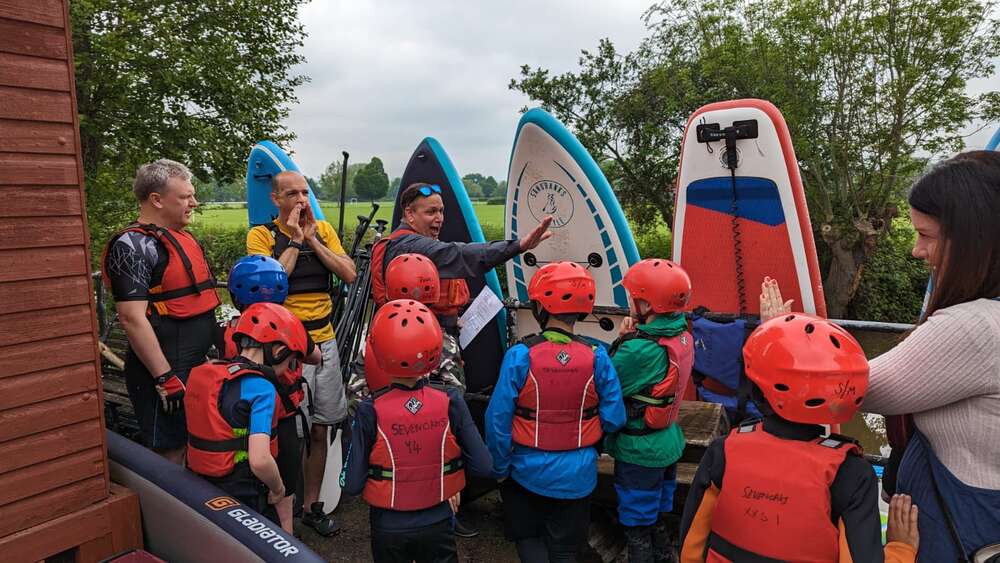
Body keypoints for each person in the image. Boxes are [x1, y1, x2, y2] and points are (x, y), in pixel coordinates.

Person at [762, 151, 1000, 561]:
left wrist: (783, 333)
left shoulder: (974, 328)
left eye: (926, 236)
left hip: (963, 528)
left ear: (973, 242)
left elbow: (854, 389)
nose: (915, 250)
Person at [370, 181, 552, 538]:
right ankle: (438, 511)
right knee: (440, 426)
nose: (438, 218)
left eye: (441, 211)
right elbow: (461, 254)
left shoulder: (417, 246)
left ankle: (436, 506)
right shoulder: (407, 244)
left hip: (430, 342)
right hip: (419, 353)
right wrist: (517, 246)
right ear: (408, 214)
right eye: (430, 211)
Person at [679, 313, 919, 562]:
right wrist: (901, 548)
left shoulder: (724, 451)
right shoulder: (851, 474)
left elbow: (690, 547)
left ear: (756, 393)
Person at [486, 262, 626, 562]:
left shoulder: (520, 355)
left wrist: (499, 469)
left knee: (529, 540)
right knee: (565, 551)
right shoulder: (597, 356)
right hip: (578, 477)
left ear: (539, 306)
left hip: (524, 473)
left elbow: (497, 421)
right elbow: (615, 418)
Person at [246, 170, 356, 535]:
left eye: (305, 193)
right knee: (289, 432)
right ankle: (284, 512)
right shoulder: (261, 235)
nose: (301, 200)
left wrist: (313, 240)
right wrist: (294, 241)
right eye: (292, 194)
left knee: (322, 427)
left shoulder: (322, 230)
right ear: (275, 199)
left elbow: (350, 274)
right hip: (284, 351)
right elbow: (269, 286)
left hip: (323, 343)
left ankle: (313, 506)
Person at [343, 299, 493, 563]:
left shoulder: (369, 410)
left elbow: (352, 483)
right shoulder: (451, 401)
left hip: (388, 525)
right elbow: (483, 465)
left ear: (378, 354)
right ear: (435, 350)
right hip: (438, 518)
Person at [101, 159, 220, 464]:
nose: (193, 202)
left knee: (197, 444)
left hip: (192, 363)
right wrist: (164, 375)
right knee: (170, 452)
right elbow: (131, 317)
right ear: (156, 199)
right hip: (163, 372)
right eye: (185, 197)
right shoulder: (133, 245)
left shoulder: (180, 239)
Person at [218, 255, 320, 532]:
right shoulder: (289, 325)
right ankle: (287, 539)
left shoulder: (229, 330)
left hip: (235, 427)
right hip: (281, 422)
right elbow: (316, 358)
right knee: (284, 491)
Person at [185, 302, 308, 524]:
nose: (287, 371)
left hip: (201, 486)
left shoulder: (211, 373)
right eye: (290, 363)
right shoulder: (263, 389)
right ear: (279, 351)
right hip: (242, 492)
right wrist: (278, 488)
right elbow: (260, 460)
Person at [606, 259, 694, 563]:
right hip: (667, 444)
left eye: (633, 295)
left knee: (636, 528)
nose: (629, 300)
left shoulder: (639, 349)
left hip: (639, 451)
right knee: (655, 519)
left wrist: (620, 341)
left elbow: (603, 383)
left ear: (647, 302)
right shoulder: (681, 336)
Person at [347, 253, 461, 407]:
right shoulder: (444, 342)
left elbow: (355, 400)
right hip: (429, 423)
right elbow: (457, 395)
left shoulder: (373, 340)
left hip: (382, 424)